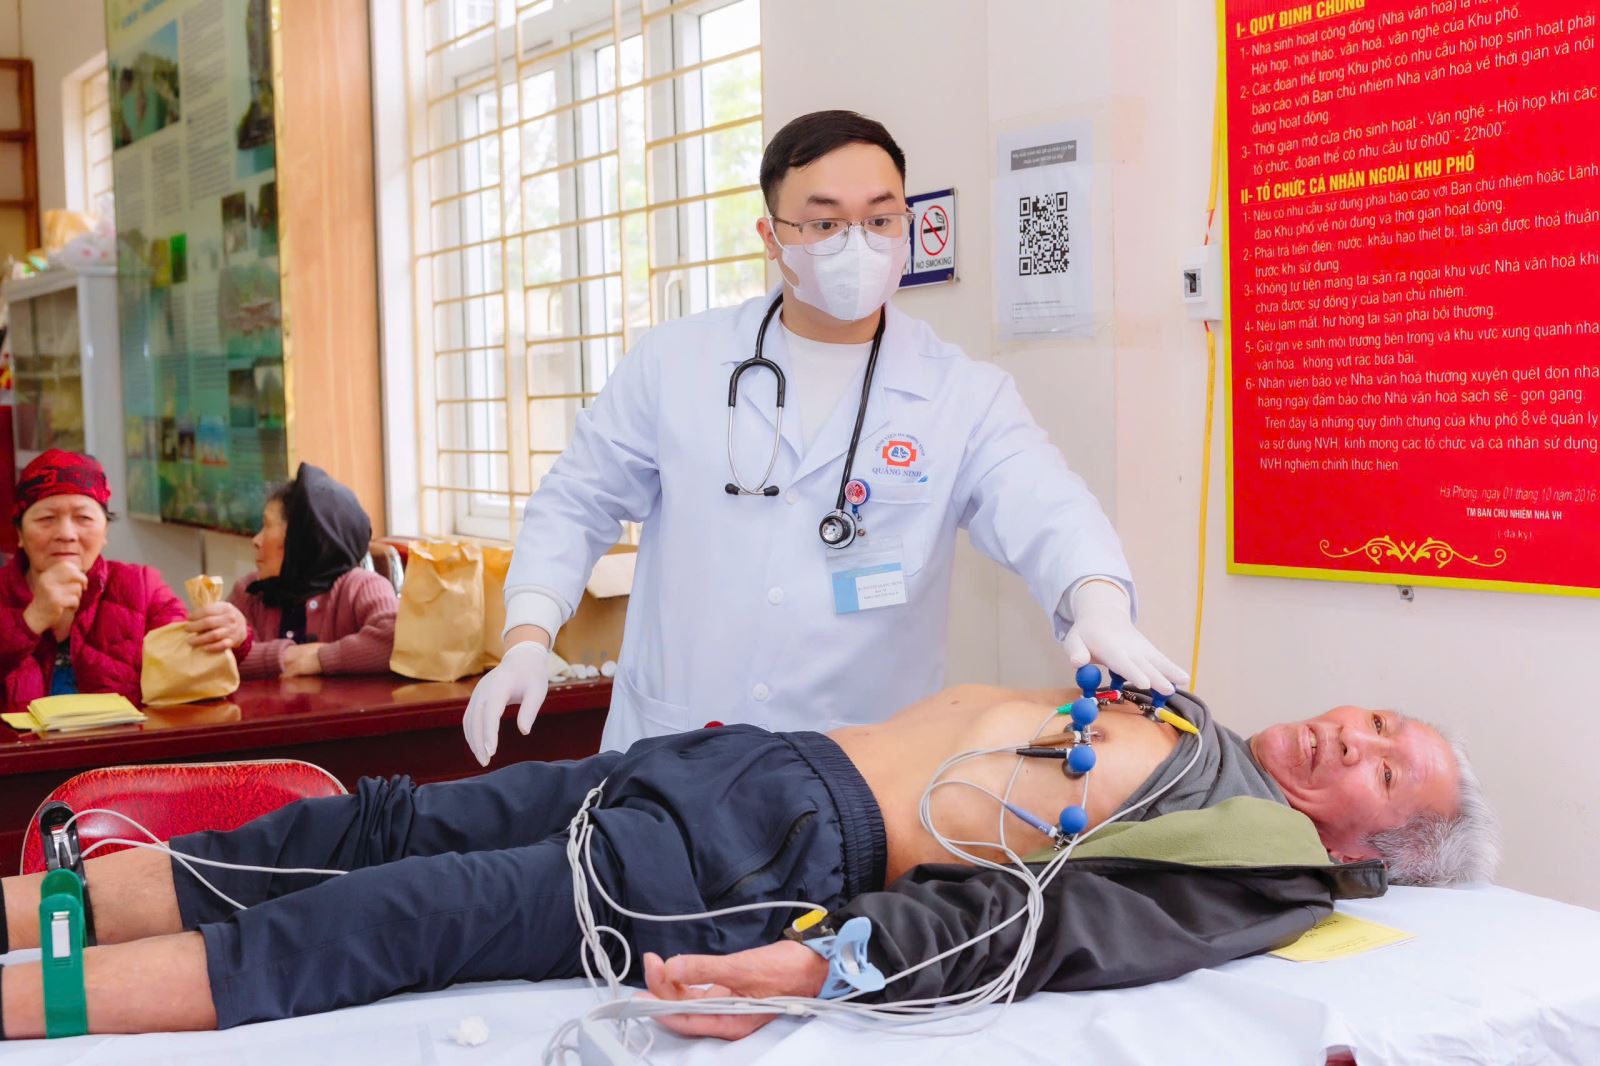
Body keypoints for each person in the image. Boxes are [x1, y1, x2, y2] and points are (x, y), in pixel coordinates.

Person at [0, 681, 1497, 1037]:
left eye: (1384, 765)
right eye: (1375, 716)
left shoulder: (1263, 861)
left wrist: (817, 964)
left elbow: (1048, 928)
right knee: (350, 827)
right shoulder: (1194, 720)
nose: (1350, 734)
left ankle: (30, 1003)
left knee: (394, 914)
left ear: (1373, 846)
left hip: (778, 846)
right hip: (740, 765)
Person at [464, 110, 1187, 763]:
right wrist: (529, 637)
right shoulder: (675, 363)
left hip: (860, 768)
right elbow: (577, 501)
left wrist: (1098, 602)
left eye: (880, 219)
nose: (856, 244)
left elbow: (1047, 505)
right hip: (676, 747)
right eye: (824, 223)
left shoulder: (960, 393)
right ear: (772, 237)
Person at [0, 450, 251, 707]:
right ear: (19, 532)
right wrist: (30, 621)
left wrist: (231, 635)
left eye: (83, 518)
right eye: (46, 519)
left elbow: (192, 669)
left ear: (105, 530)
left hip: (123, 735)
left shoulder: (142, 588)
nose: (66, 533)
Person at [222, 464, 397, 679]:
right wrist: (287, 657)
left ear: (303, 537)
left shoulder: (361, 587)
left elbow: (395, 640)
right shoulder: (250, 592)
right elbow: (217, 659)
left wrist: (320, 658)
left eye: (267, 526)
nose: (256, 540)